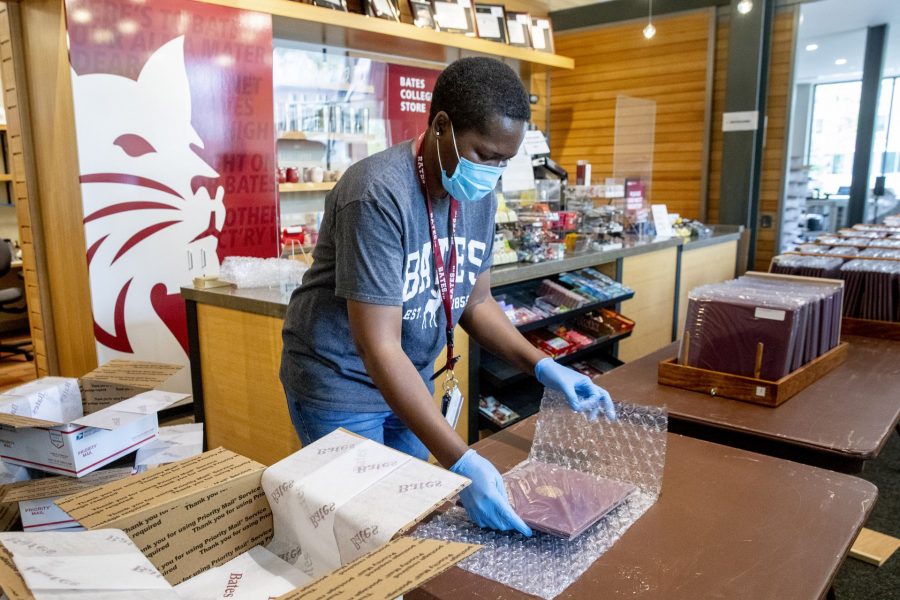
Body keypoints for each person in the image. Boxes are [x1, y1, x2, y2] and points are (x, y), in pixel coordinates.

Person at [280, 57, 615, 536]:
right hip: (341, 382)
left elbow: (476, 303)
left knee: (412, 519)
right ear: (441, 126)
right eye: (484, 155)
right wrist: (460, 458)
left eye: (505, 161)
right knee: (360, 529)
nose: (493, 174)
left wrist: (541, 366)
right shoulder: (376, 193)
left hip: (410, 379)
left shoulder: (479, 195)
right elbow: (379, 346)